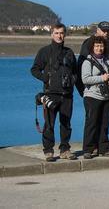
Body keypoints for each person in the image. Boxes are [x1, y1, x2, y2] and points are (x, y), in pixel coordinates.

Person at [31, 23, 77, 162]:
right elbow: (34, 69)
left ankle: (65, 149)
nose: (59, 36)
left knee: (66, 123)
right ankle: (48, 150)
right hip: (50, 94)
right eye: (56, 33)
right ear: (52, 34)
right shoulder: (44, 51)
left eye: (62, 33)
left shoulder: (69, 52)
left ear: (65, 35)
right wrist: (46, 77)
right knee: (49, 124)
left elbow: (75, 71)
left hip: (67, 94)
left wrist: (73, 80)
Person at [81, 36, 109, 159]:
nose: (99, 48)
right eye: (96, 46)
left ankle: (103, 148)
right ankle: (88, 149)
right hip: (92, 96)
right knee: (91, 123)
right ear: (92, 47)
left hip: (107, 97)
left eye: (101, 46)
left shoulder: (108, 62)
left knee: (104, 124)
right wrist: (102, 78)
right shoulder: (87, 62)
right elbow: (85, 79)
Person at [76, 21, 109, 97]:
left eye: (108, 31)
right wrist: (81, 90)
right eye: (103, 31)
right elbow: (80, 66)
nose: (106, 33)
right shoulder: (88, 43)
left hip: (108, 90)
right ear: (98, 30)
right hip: (92, 91)